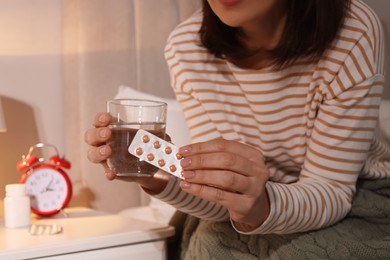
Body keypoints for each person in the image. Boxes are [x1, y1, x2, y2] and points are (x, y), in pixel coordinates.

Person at [85, 0, 389, 254]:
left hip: (353, 201)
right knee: (209, 244)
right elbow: (221, 198)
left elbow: (331, 191)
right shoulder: (186, 47)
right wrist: (156, 175)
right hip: (248, 207)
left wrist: (260, 206)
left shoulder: (352, 30)